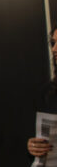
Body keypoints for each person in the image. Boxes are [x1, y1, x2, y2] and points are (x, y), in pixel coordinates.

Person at [27, 26, 57, 158]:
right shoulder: (47, 93)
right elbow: (34, 137)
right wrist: (33, 146)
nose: (54, 49)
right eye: (53, 43)